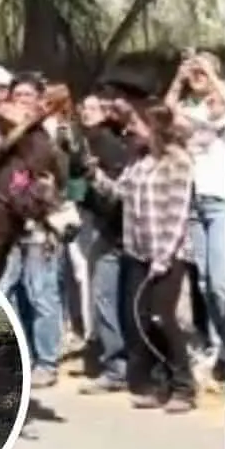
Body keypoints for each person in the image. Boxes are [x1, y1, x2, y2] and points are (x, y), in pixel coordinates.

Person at [88, 103, 197, 413]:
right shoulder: (138, 162)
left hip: (167, 253)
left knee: (162, 318)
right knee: (140, 321)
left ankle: (184, 386)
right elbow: (116, 192)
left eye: (136, 126)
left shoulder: (177, 161)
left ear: (155, 128)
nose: (130, 131)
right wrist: (92, 171)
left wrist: (164, 257)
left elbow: (178, 214)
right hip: (137, 251)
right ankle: (152, 384)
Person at [0, 73, 66, 389]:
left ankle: (47, 361)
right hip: (9, 225)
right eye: (17, 94)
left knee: (41, 294)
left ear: (38, 101)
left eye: (28, 95)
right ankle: (20, 357)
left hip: (39, 222)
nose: (22, 100)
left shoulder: (46, 136)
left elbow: (58, 173)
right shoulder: (3, 134)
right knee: (7, 292)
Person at [165, 51, 225, 365]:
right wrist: (179, 77)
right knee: (203, 282)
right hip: (194, 204)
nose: (197, 73)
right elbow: (165, 113)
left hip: (222, 203)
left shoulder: (220, 105)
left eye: (203, 69)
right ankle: (220, 349)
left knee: (221, 283)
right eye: (195, 70)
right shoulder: (191, 109)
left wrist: (211, 72)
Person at [74, 93, 134, 394]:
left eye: (94, 107)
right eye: (83, 107)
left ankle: (116, 367)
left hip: (112, 230)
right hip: (102, 225)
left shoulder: (106, 142)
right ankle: (118, 363)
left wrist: (90, 174)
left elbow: (115, 192)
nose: (87, 112)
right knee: (110, 297)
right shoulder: (90, 141)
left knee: (106, 297)